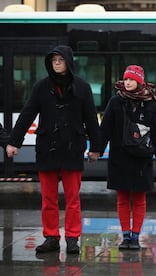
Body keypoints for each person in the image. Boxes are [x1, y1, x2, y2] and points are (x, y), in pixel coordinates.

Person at [6, 45, 100, 254]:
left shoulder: (82, 88)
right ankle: (51, 237)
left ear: (69, 61)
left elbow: (91, 119)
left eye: (60, 60)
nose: (56, 63)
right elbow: (27, 114)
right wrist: (14, 142)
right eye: (53, 60)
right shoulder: (41, 87)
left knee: (73, 198)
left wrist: (95, 147)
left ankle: (73, 238)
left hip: (72, 148)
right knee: (48, 199)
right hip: (47, 148)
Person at [99, 65, 156, 250]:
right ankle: (125, 236)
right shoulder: (115, 102)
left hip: (141, 158)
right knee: (122, 198)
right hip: (119, 157)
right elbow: (104, 129)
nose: (127, 82)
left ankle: (135, 236)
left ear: (139, 81)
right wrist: (96, 150)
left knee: (139, 199)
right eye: (126, 79)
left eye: (131, 79)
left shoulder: (150, 104)